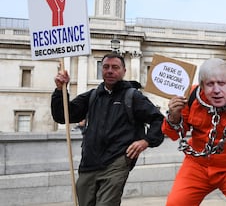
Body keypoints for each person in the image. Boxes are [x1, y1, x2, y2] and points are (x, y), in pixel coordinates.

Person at [51, 53, 165, 206]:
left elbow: (158, 119)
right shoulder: (92, 96)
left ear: (124, 71)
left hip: (116, 163)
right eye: (105, 67)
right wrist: (60, 90)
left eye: (115, 67)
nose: (110, 71)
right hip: (88, 164)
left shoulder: (133, 97)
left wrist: (146, 141)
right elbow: (62, 115)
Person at [162, 58, 226, 206]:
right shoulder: (191, 96)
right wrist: (174, 116)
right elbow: (174, 135)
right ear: (202, 86)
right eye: (210, 84)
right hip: (197, 166)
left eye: (222, 83)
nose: (216, 90)